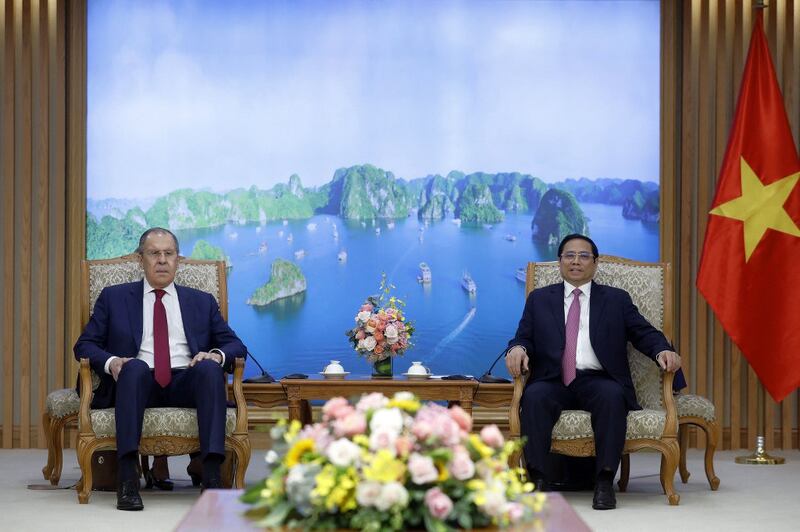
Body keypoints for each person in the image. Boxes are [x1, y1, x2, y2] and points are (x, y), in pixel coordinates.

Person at [74, 227, 247, 511]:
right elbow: (84, 345)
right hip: (137, 383)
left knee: (208, 369)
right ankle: (128, 479)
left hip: (185, 380)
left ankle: (212, 478)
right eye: (154, 253)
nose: (162, 260)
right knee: (134, 368)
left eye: (169, 253)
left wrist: (216, 355)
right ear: (140, 259)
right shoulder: (114, 297)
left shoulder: (201, 301)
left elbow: (236, 345)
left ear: (178, 259)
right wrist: (112, 362)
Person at [505, 234, 681, 510]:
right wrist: (517, 349)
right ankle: (537, 479)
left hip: (598, 379)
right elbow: (523, 336)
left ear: (595, 263)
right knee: (535, 397)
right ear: (560, 262)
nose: (576, 261)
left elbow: (644, 332)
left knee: (612, 396)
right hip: (553, 379)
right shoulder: (539, 299)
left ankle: (604, 481)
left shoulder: (616, 300)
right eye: (569, 255)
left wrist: (662, 351)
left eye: (583, 256)